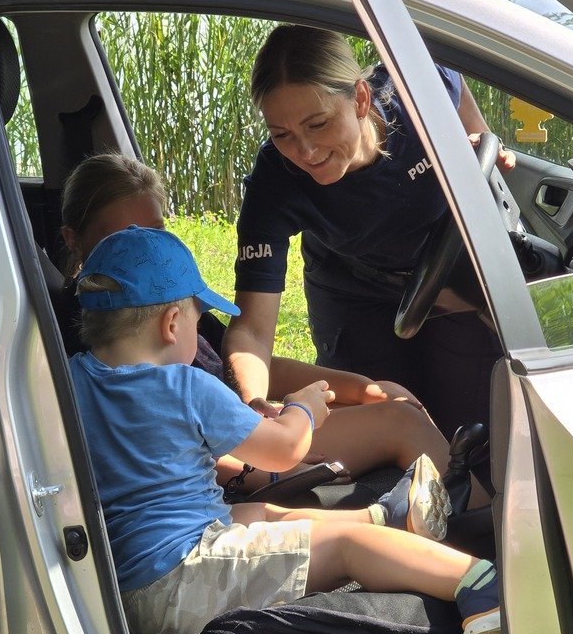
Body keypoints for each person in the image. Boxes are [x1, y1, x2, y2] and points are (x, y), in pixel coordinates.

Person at [68, 225, 500, 634]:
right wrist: (303, 409)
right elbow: (282, 451)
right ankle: (480, 585)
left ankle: (386, 516)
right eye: (198, 324)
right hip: (186, 581)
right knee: (347, 550)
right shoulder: (183, 387)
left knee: (256, 513)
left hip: (130, 586)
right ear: (172, 323)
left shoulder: (70, 381)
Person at [57, 153, 486, 508]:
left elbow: (234, 362)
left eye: (154, 231)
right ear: (74, 240)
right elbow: (145, 450)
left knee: (394, 402)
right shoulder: (99, 323)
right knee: (400, 424)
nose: (142, 248)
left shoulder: (164, 294)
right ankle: (490, 527)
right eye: (119, 236)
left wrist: (361, 387)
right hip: (235, 456)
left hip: (253, 429)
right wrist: (255, 470)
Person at [225, 25, 513, 440]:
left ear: (360, 99)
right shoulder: (276, 180)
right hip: (349, 288)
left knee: (475, 422)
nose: (304, 151)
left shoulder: (414, 94)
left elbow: (451, 80)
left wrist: (476, 135)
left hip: (441, 278)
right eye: (281, 134)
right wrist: (254, 413)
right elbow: (251, 329)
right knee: (381, 418)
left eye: (318, 124)